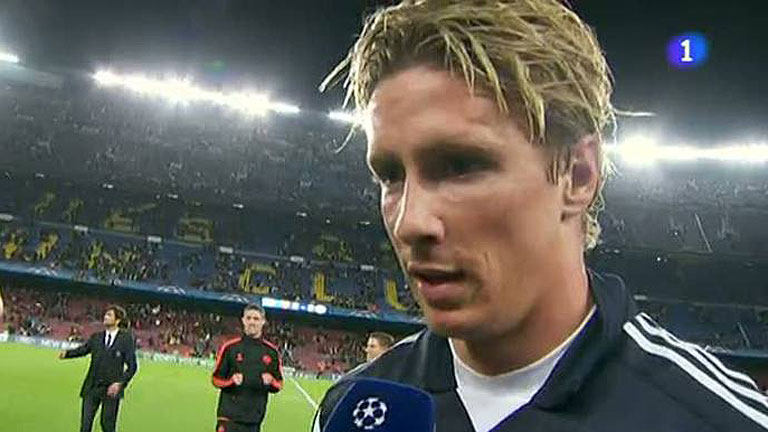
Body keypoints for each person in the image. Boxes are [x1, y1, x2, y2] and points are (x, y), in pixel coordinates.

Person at [312, 1, 768, 431]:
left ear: (578, 175)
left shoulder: (717, 420)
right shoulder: (353, 410)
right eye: (390, 176)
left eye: (461, 166)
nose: (410, 222)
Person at [59, 305, 137, 432]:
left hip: (111, 390)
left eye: (109, 315)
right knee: (85, 426)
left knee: (107, 426)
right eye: (105, 314)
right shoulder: (96, 337)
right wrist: (67, 354)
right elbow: (84, 349)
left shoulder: (126, 339)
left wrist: (119, 383)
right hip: (92, 387)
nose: (105, 317)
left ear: (117, 320)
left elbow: (132, 366)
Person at [212, 303, 284, 432]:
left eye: (256, 319)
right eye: (248, 318)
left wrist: (271, 381)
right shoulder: (230, 348)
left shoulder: (271, 352)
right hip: (228, 418)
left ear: (263, 322)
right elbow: (215, 379)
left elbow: (279, 384)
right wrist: (231, 381)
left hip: (253, 421)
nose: (252, 322)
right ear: (243, 320)